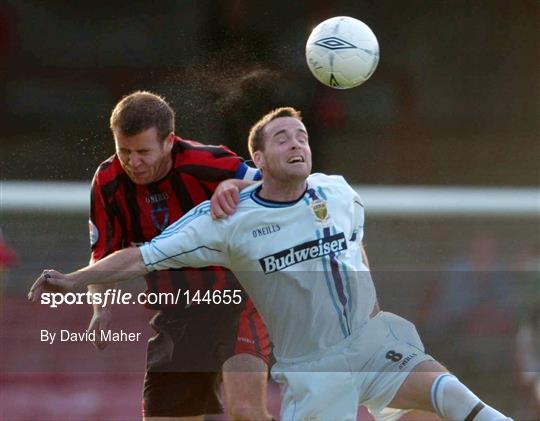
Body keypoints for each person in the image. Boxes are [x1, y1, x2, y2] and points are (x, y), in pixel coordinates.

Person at [30, 107, 512, 421]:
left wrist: (371, 308)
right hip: (304, 365)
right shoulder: (228, 220)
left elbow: (354, 246)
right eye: (282, 138)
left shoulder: (339, 191)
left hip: (361, 340)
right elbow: (137, 255)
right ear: (259, 156)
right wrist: (77, 283)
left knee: (451, 396)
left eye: (301, 135)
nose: (296, 142)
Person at [82, 91, 272, 420]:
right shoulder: (108, 182)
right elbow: (104, 255)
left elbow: (282, 188)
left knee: (245, 411)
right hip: (178, 315)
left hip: (238, 301)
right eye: (124, 150)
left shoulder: (207, 163)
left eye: (143, 151)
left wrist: (235, 186)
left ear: (169, 141)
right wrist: (101, 308)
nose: (133, 162)